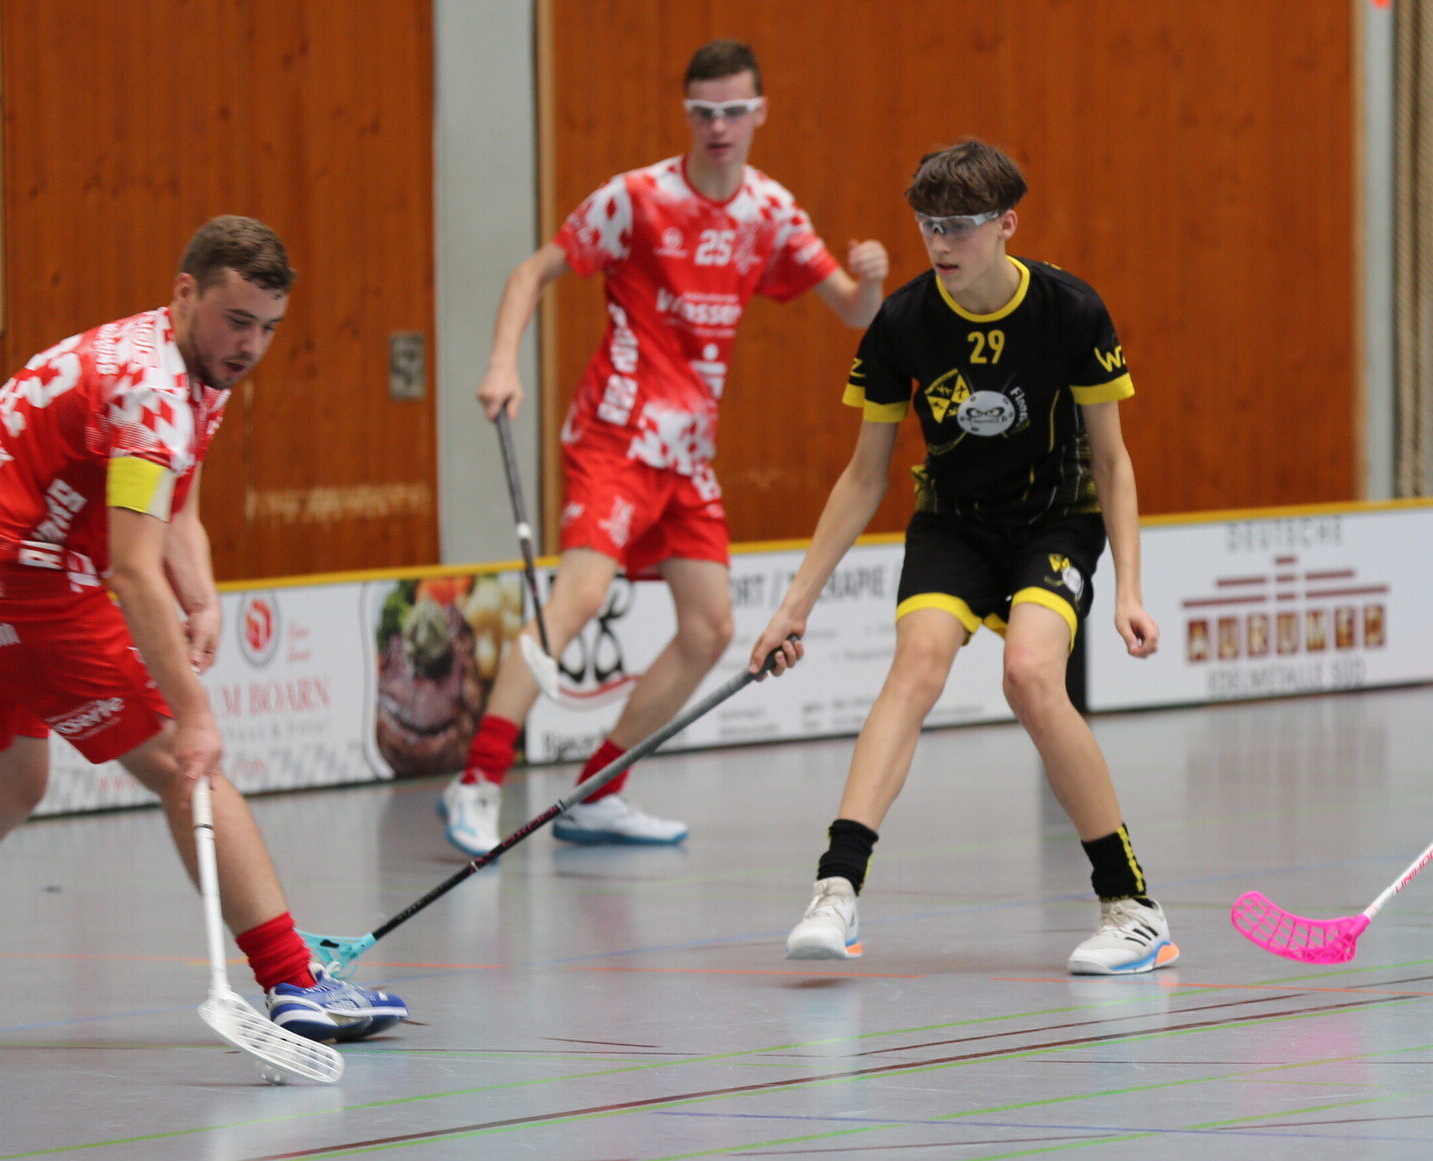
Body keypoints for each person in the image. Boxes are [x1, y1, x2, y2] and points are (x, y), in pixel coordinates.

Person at [0, 216, 406, 1041]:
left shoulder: (187, 363)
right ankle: (296, 983)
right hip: (5, 575)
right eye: (238, 321)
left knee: (4, 787)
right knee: (182, 763)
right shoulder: (152, 393)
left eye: (268, 328)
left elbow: (177, 505)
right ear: (185, 290)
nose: (251, 345)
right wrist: (190, 712)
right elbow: (129, 568)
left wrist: (202, 589)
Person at [443, 39, 887, 854]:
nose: (719, 127)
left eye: (734, 111)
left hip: (687, 456)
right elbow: (532, 273)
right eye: (703, 112)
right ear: (688, 115)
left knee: (711, 627)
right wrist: (504, 359)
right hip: (614, 435)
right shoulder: (636, 200)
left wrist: (872, 278)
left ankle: (596, 790)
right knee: (576, 596)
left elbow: (853, 311)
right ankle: (477, 780)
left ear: (759, 113)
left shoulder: (771, 211)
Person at [748, 140, 1175, 975]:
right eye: (927, 224)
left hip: (1055, 520)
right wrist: (794, 603)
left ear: (1007, 224)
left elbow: (1115, 462)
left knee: (1028, 675)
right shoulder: (904, 322)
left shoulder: (1071, 311)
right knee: (916, 663)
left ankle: (1132, 907)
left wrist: (1130, 586)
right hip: (954, 523)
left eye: (960, 226)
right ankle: (836, 888)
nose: (941, 243)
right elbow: (865, 473)